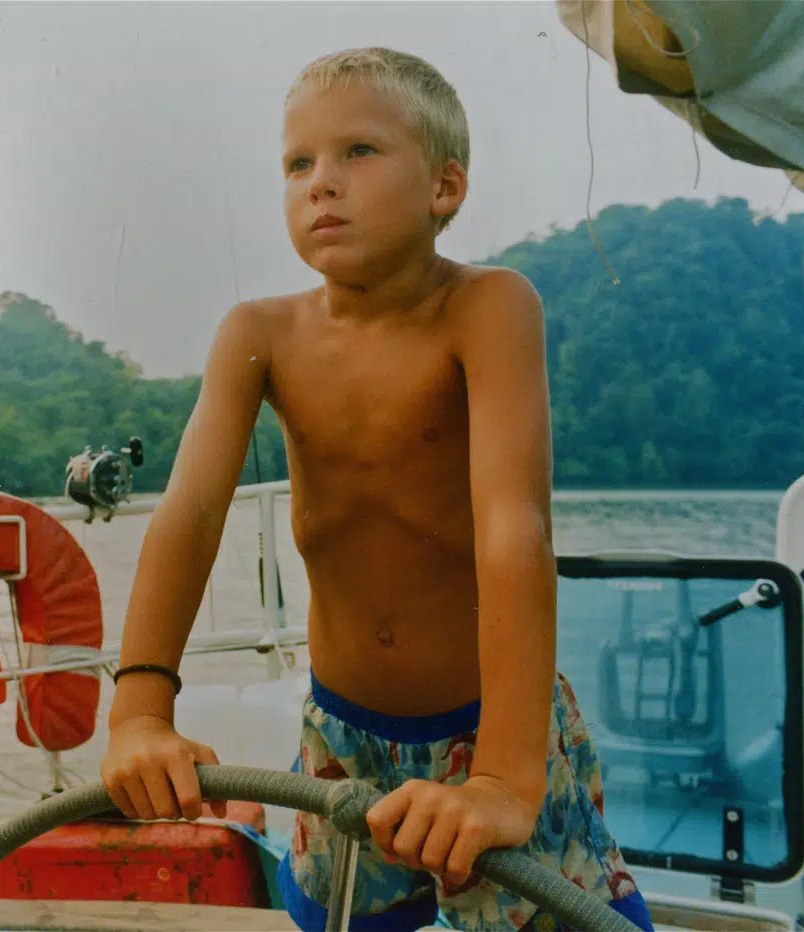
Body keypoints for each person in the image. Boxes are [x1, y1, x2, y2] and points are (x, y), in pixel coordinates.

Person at [98, 48, 654, 932]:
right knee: (347, 921)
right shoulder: (257, 332)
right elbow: (191, 514)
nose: (321, 182)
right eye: (298, 163)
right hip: (342, 732)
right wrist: (138, 713)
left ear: (445, 187)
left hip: (494, 728)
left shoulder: (488, 307)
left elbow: (514, 527)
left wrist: (505, 778)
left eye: (358, 151)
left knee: (567, 921)